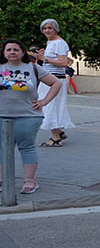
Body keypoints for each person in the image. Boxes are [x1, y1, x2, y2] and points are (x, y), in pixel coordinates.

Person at [0, 38, 64, 194]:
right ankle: (1, 181)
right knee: (1, 149)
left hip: (28, 116)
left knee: (26, 147)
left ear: (23, 52)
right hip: (2, 115)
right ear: (4, 52)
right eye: (9, 50)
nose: (12, 52)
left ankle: (30, 181)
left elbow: (56, 83)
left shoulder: (33, 68)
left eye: (16, 49)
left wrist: (44, 101)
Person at [37, 19, 75, 147]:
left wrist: (45, 59)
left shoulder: (59, 43)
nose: (47, 30)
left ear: (55, 29)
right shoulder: (51, 42)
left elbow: (63, 63)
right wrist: (41, 58)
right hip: (49, 78)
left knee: (50, 106)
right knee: (49, 106)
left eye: (50, 28)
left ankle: (55, 138)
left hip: (54, 80)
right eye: (44, 28)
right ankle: (59, 131)